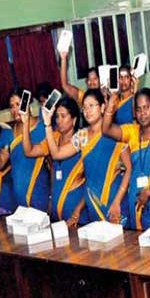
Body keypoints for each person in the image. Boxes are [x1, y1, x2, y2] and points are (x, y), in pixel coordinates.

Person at [46, 89, 131, 225]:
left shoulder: (115, 133)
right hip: (93, 206)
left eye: (92, 106)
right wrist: (47, 124)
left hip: (115, 205)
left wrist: (117, 201)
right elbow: (56, 154)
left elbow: (129, 169)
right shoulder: (82, 136)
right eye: (84, 107)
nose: (87, 111)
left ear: (103, 107)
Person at [102, 89, 150, 231]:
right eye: (138, 109)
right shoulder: (132, 132)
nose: (142, 113)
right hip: (134, 204)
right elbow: (106, 129)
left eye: (146, 108)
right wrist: (111, 103)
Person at [23, 97, 87, 226]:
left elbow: (56, 154)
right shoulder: (55, 137)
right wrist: (25, 123)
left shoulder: (82, 138)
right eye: (57, 116)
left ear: (74, 120)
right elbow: (29, 151)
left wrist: (77, 211)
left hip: (78, 213)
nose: (59, 120)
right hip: (58, 211)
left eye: (63, 116)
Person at [7, 88, 49, 211]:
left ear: (28, 104)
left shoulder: (43, 127)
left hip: (39, 194)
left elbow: (52, 164)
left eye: (18, 104)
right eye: (12, 106)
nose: (15, 110)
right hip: (18, 198)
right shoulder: (11, 132)